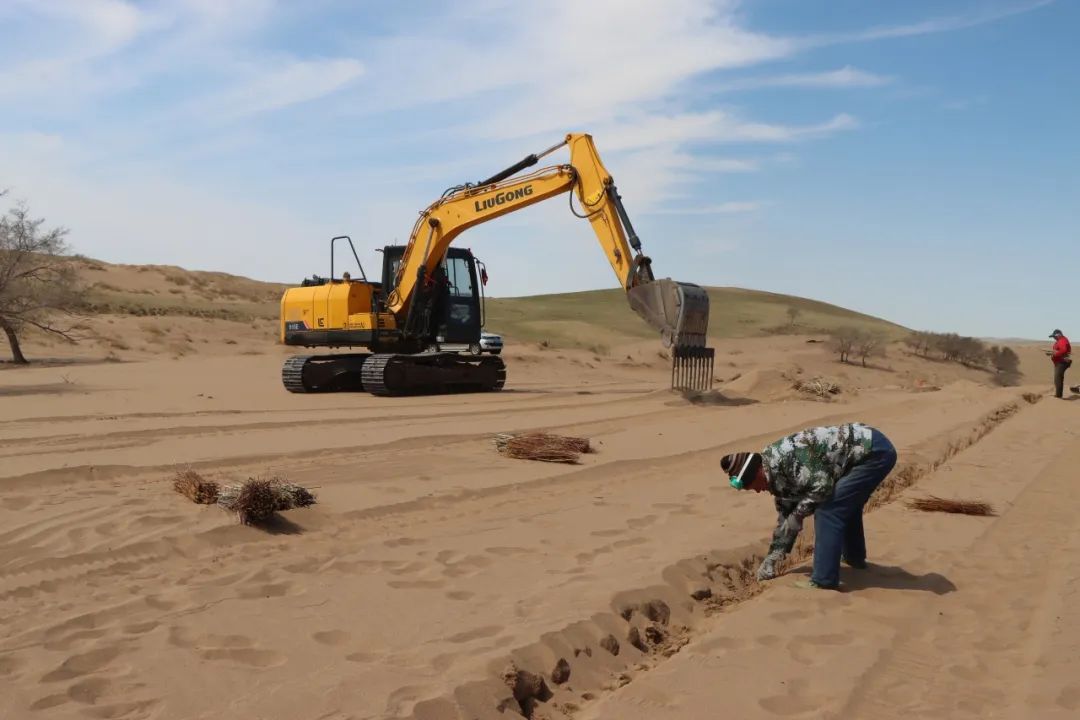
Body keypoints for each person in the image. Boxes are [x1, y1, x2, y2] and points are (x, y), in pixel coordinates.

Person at [721, 422, 897, 590]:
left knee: (829, 510)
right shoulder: (775, 476)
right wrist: (773, 557)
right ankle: (854, 558)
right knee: (845, 503)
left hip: (873, 452)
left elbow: (822, 487)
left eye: (754, 486)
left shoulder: (788, 460)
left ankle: (824, 580)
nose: (758, 491)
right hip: (864, 452)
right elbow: (786, 520)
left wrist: (798, 515)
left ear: (758, 473)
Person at [1048, 329, 1071, 399]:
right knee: (1058, 378)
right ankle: (1058, 395)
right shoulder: (1060, 341)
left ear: (1058, 335)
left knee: (1058, 378)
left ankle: (1058, 396)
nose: (1054, 338)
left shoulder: (1062, 340)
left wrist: (1055, 354)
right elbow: (1058, 351)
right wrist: (1052, 353)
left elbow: (1063, 350)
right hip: (1059, 362)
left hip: (1062, 362)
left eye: (1054, 336)